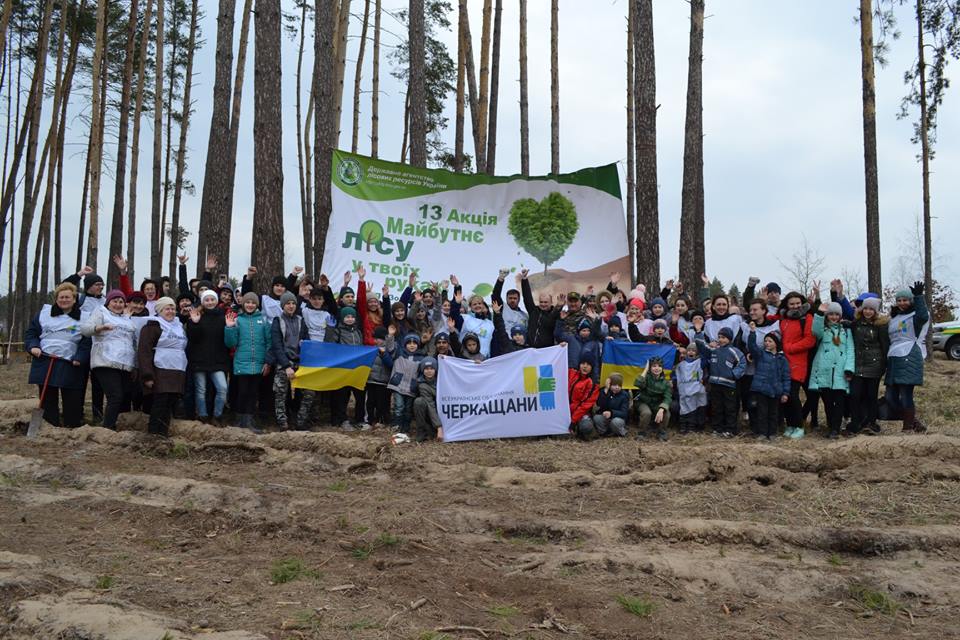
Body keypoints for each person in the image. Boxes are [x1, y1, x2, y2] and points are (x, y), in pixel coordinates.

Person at [24, 282, 92, 428]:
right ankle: (50, 426)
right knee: (47, 397)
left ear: (74, 299)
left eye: (68, 297)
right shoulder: (44, 314)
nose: (64, 300)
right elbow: (31, 333)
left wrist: (80, 357)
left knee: (72, 396)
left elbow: (86, 341)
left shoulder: (85, 317)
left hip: (70, 363)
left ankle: (72, 426)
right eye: (61, 297)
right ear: (56, 299)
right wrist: (33, 346)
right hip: (45, 360)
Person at [81, 290, 146, 430]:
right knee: (115, 396)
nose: (118, 304)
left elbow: (132, 343)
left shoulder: (126, 318)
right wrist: (99, 328)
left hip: (125, 364)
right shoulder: (101, 312)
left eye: (121, 302)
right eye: (114, 301)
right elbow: (85, 330)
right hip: (105, 361)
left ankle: (120, 427)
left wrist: (135, 366)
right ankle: (107, 429)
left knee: (125, 396)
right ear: (108, 303)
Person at [137, 297, 188, 436]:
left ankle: (163, 434)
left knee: (170, 403)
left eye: (173, 308)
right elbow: (144, 351)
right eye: (167, 308)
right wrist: (147, 375)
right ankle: (153, 434)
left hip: (176, 370)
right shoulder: (152, 326)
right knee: (160, 402)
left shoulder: (178, 326)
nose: (170, 311)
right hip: (160, 370)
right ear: (159, 311)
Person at [224, 292, 272, 433]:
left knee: (253, 393)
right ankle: (239, 421)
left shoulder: (263, 321)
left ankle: (249, 421)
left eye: (253, 302)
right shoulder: (238, 320)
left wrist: (267, 362)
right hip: (241, 362)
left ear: (257, 305)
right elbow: (230, 343)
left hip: (259, 363)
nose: (250, 305)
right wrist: (229, 328)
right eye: (247, 302)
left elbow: (269, 343)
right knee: (242, 392)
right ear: (243, 304)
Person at [886, 282, 930, 432]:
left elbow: (923, 316)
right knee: (890, 397)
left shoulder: (915, 315)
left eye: (905, 300)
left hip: (909, 356)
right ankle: (914, 422)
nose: (902, 303)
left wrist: (919, 297)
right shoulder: (894, 317)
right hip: (894, 359)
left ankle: (907, 428)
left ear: (910, 300)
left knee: (905, 395)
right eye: (899, 300)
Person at [809, 301, 855, 438]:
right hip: (825, 372)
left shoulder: (846, 331)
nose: (834, 317)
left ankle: (836, 428)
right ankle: (831, 426)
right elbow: (815, 331)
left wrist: (849, 369)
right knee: (828, 402)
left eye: (836, 314)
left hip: (840, 372)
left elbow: (850, 350)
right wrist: (819, 314)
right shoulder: (823, 330)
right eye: (831, 314)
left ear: (840, 316)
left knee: (839, 402)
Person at [185, 290, 231, 425]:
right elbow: (193, 339)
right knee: (201, 390)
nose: (210, 302)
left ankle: (217, 415)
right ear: (202, 302)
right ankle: (203, 416)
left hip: (218, 360)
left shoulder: (223, 316)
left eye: (212, 299)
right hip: (199, 360)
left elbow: (228, 342)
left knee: (222, 388)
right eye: (207, 300)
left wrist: (230, 328)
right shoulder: (196, 316)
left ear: (216, 301)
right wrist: (195, 323)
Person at [270, 291, 313, 430]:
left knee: (309, 392)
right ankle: (282, 423)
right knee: (280, 393)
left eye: (293, 303)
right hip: (284, 363)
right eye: (288, 303)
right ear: (283, 305)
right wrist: (286, 366)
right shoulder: (278, 321)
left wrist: (304, 344)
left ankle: (301, 421)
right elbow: (277, 346)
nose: (291, 306)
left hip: (300, 363)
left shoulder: (301, 320)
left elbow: (307, 341)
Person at [848, 297, 889, 435]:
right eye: (866, 308)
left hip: (874, 365)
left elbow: (885, 346)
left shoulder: (880, 325)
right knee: (855, 395)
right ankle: (855, 422)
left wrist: (884, 366)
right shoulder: (856, 324)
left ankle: (871, 422)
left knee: (871, 396)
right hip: (858, 364)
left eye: (871, 309)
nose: (868, 311)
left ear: (875, 311)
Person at [778, 291, 816, 439]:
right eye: (792, 304)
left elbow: (810, 340)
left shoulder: (807, 318)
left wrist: (790, 348)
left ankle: (799, 426)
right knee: (785, 395)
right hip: (783, 362)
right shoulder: (783, 319)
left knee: (793, 395)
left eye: (798, 303)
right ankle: (790, 425)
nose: (795, 306)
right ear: (787, 305)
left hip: (798, 362)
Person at [697, 326, 746, 437]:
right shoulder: (714, 350)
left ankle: (730, 430)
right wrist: (698, 332)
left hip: (729, 385)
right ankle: (717, 429)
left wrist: (734, 374)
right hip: (715, 384)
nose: (721, 340)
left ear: (730, 339)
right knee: (716, 407)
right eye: (719, 337)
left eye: (723, 337)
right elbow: (701, 346)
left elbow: (742, 363)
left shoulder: (734, 351)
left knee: (730, 408)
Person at [324, 305, 367, 429]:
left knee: (360, 394)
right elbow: (330, 345)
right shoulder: (338, 331)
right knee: (342, 395)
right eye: (347, 317)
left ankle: (360, 419)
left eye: (352, 317)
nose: (350, 319)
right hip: (343, 369)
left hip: (357, 369)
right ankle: (343, 419)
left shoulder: (358, 332)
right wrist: (330, 329)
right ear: (342, 318)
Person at [746, 327, 791, 440]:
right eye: (765, 341)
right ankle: (762, 433)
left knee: (773, 413)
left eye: (770, 341)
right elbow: (752, 346)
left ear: (776, 343)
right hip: (762, 389)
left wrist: (785, 393)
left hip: (775, 390)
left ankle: (772, 433)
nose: (767, 343)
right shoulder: (761, 354)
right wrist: (752, 333)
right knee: (762, 412)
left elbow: (786, 377)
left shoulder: (782, 359)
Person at [388, 334, 426, 434]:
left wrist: (418, 382)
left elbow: (423, 372)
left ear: (418, 345)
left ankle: (406, 427)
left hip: (411, 387)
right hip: (398, 385)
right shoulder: (399, 353)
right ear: (405, 345)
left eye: (414, 343)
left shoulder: (421, 358)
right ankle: (397, 425)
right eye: (409, 343)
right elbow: (390, 348)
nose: (412, 345)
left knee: (408, 408)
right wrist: (391, 335)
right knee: (399, 406)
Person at [633, 356, 672, 441]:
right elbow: (637, 383)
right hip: (643, 402)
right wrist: (646, 369)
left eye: (659, 366)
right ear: (650, 368)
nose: (657, 368)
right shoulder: (646, 378)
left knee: (666, 413)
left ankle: (662, 432)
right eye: (654, 366)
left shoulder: (666, 383)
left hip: (656, 403)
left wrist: (662, 409)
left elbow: (668, 398)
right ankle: (642, 433)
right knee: (646, 413)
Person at [520, 268, 561, 348]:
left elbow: (558, 330)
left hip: (546, 350)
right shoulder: (534, 311)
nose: (543, 304)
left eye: (545, 302)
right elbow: (527, 296)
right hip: (530, 349)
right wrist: (524, 280)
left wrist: (559, 307)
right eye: (541, 302)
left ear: (551, 302)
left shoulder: (555, 314)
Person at [366, 326, 396, 428]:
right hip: (371, 380)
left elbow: (391, 364)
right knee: (370, 402)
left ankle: (380, 420)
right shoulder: (371, 349)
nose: (375, 341)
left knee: (381, 403)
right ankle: (370, 420)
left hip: (383, 381)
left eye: (378, 338)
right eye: (374, 338)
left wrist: (383, 354)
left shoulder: (390, 349)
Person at [674, 342, 708, 434]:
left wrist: (698, 341)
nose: (691, 352)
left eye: (693, 350)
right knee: (684, 408)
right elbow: (677, 375)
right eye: (689, 350)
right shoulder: (681, 364)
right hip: (684, 389)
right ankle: (683, 426)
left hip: (695, 390)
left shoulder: (700, 362)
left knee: (693, 409)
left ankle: (691, 427)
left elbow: (705, 355)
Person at [568, 353, 600, 439]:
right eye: (583, 363)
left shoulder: (594, 385)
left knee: (586, 426)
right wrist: (560, 348)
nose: (585, 366)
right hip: (566, 411)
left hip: (581, 413)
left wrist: (573, 421)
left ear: (592, 367)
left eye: (588, 364)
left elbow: (585, 406)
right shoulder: (572, 373)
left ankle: (591, 432)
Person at [412, 357, 442, 442]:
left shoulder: (443, 379)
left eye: (432, 368)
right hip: (431, 412)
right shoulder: (422, 385)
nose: (429, 371)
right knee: (419, 402)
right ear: (422, 370)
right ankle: (421, 431)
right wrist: (439, 427)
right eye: (426, 369)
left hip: (443, 410)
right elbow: (430, 405)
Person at [590, 373, 629, 438]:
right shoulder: (604, 391)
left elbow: (624, 413)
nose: (617, 387)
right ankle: (604, 432)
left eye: (619, 385)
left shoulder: (624, 395)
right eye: (614, 385)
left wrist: (612, 413)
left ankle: (620, 432)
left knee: (616, 422)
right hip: (606, 417)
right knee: (597, 418)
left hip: (618, 418)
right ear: (609, 384)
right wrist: (606, 391)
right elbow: (600, 404)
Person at [492, 268, 528, 337]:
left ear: (519, 299)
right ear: (506, 298)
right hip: (505, 341)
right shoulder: (502, 308)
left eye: (515, 298)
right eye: (510, 298)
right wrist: (500, 280)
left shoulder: (524, 316)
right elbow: (495, 295)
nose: (512, 300)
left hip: (519, 343)